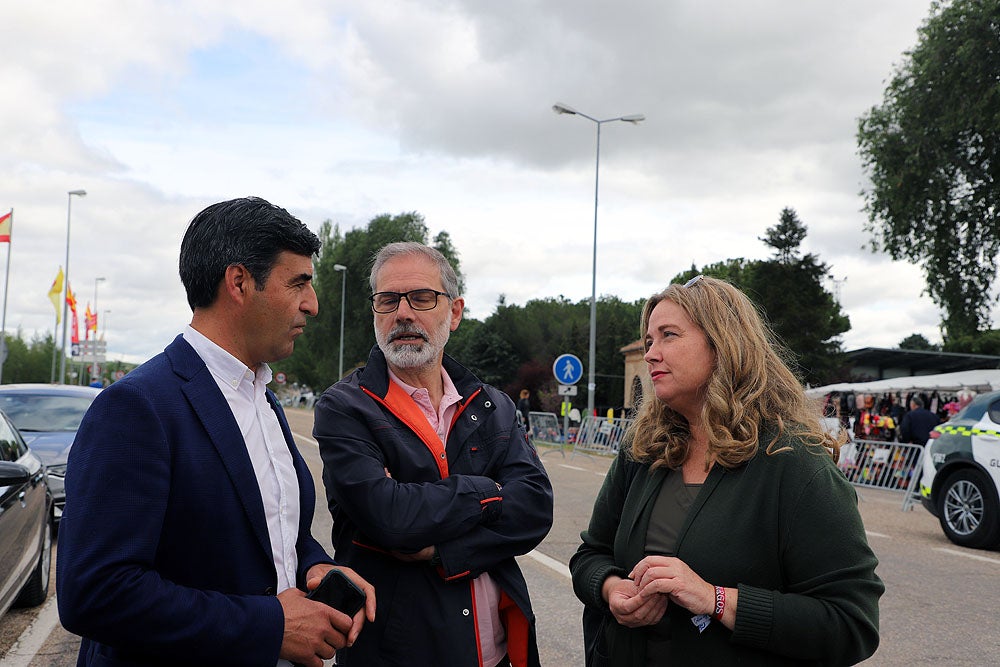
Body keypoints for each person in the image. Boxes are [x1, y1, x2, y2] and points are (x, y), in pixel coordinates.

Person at [57, 197, 375, 667]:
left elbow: (274, 532)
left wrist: (314, 565)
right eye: (299, 283)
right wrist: (270, 625)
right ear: (240, 282)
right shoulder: (137, 407)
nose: (313, 303)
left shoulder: (263, 397)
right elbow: (95, 591)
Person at [569, 275, 883, 666]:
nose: (651, 353)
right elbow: (590, 554)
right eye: (649, 341)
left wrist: (714, 599)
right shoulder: (644, 449)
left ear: (723, 345)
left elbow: (851, 623)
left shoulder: (794, 463)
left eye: (668, 335)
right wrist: (611, 588)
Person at [313, 241, 554, 666]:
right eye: (388, 300)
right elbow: (392, 519)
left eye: (422, 298)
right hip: (401, 653)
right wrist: (492, 493)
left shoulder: (490, 404)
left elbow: (535, 507)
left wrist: (441, 551)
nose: (403, 313)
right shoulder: (345, 407)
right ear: (375, 314)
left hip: (500, 652)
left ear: (454, 312)